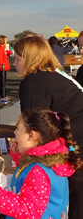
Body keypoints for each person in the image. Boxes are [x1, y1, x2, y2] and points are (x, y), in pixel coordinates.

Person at [13, 36, 83, 219]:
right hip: (75, 141)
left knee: (75, 198)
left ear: (30, 59)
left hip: (76, 147)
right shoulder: (56, 73)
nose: (14, 64)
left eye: (18, 59)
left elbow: (33, 129)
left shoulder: (33, 82)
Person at [0, 108, 81, 219]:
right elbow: (28, 176)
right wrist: (19, 156)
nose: (14, 132)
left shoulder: (39, 171)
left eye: (17, 128)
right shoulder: (50, 159)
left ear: (31, 135)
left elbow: (29, 211)